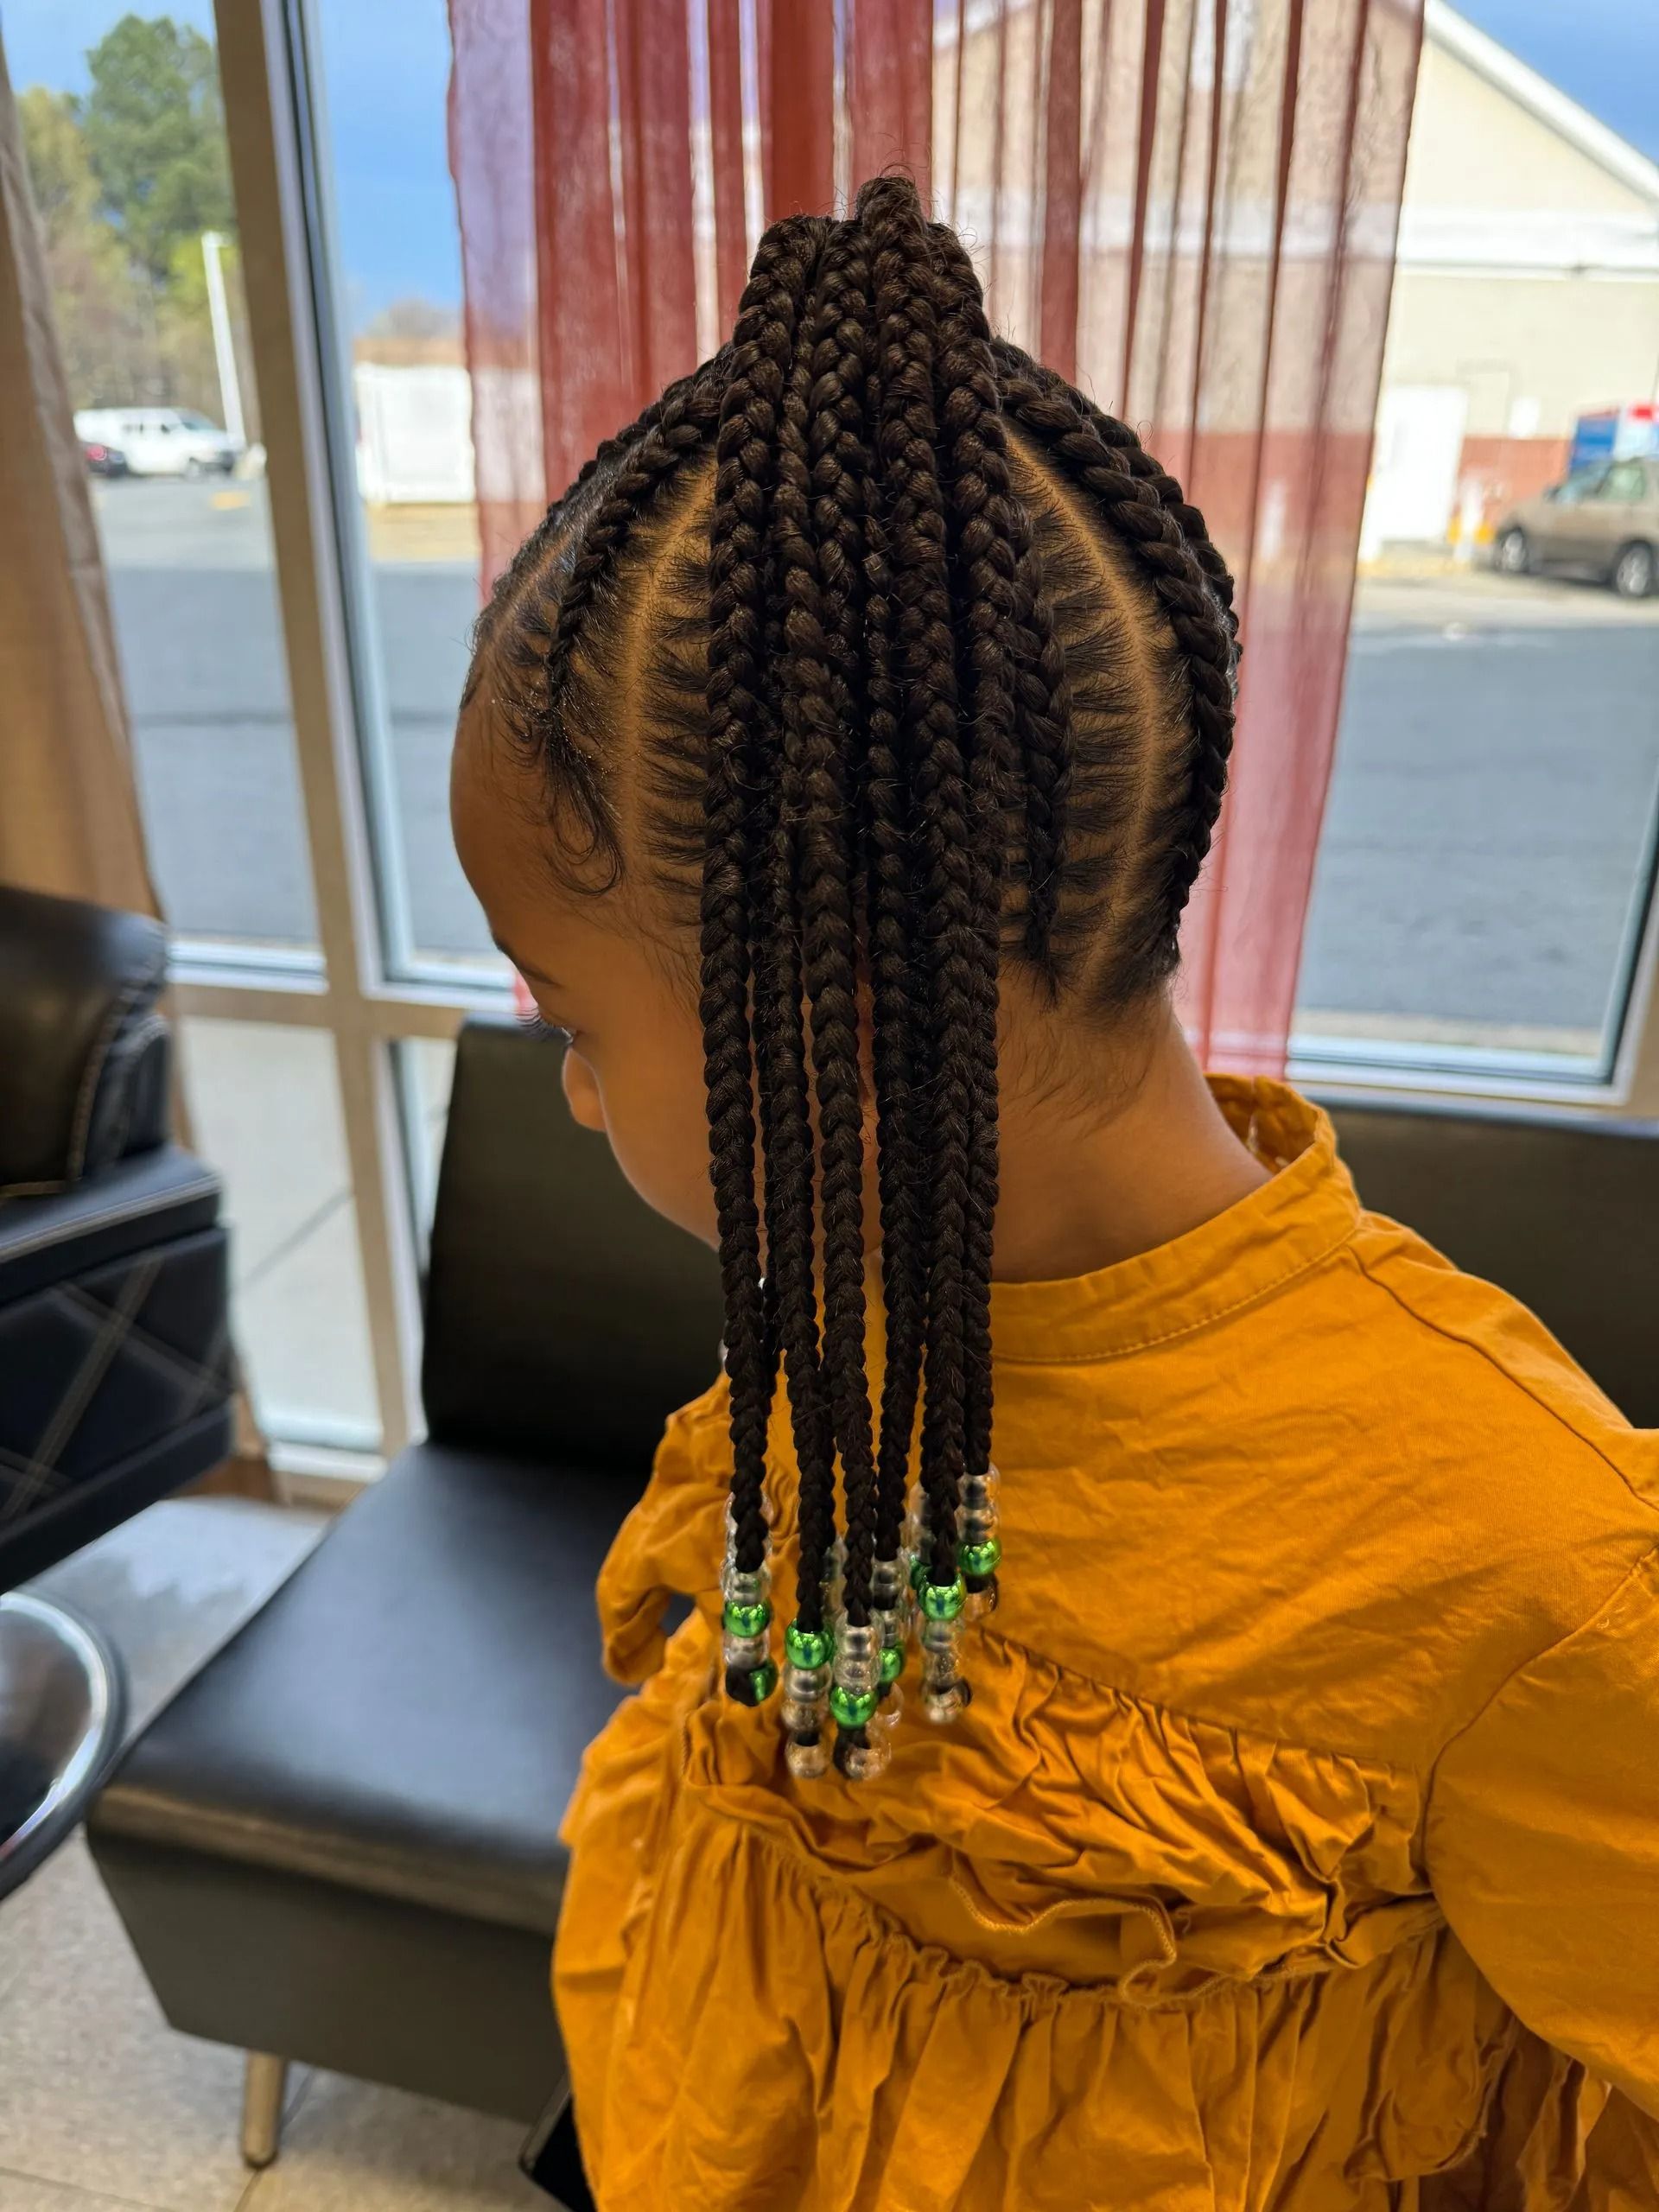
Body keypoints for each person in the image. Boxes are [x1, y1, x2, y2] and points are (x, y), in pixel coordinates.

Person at [452, 177, 1659, 2211]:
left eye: (568, 1015)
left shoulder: (1531, 1563)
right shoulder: (862, 1306)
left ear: (824, 1018)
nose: (569, 1092)